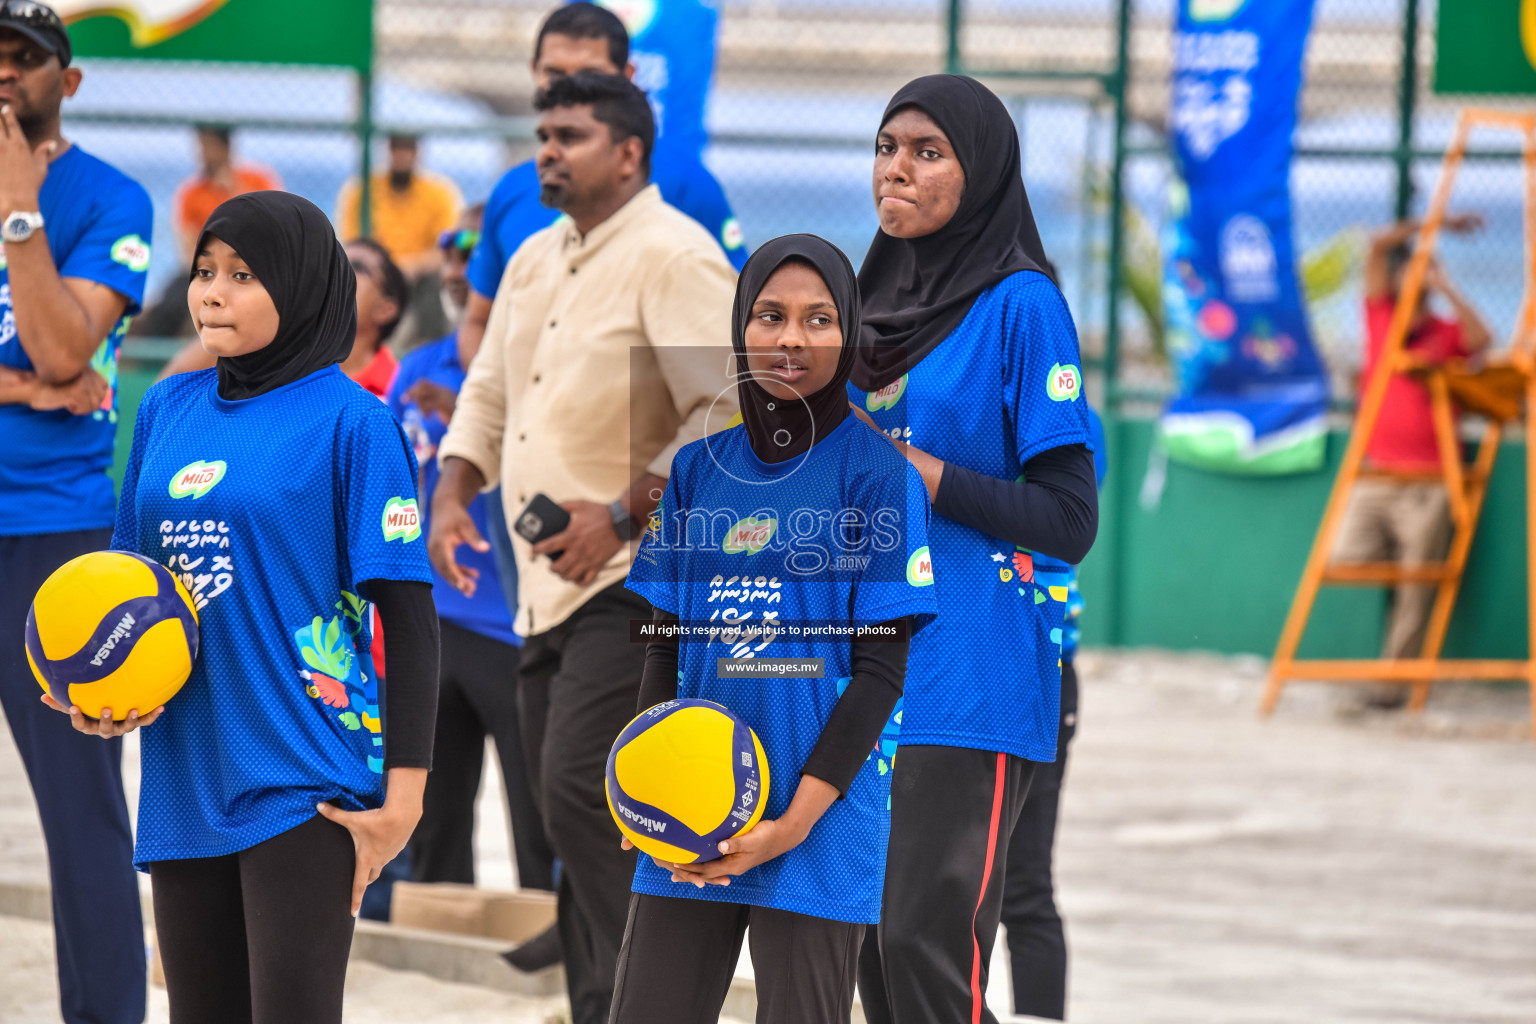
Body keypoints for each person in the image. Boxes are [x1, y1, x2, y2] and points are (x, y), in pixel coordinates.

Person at [46, 190, 440, 1024]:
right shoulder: (166, 407)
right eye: (203, 271)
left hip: (305, 776)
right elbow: (133, 586)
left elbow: (407, 616)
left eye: (244, 274)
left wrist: (402, 799)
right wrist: (108, 693)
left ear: (298, 287)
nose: (211, 292)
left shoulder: (353, 422)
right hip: (185, 777)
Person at [430, 71, 737, 1024]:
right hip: (542, 585)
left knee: (575, 791)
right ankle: (608, 1000)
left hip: (640, 581)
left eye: (569, 135)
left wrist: (621, 512)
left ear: (629, 153)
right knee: (571, 806)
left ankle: (655, 995)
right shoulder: (530, 256)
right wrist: (452, 495)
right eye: (543, 134)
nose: (547, 151)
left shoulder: (673, 257)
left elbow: (731, 410)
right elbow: (485, 391)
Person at [611, 234, 937, 1024]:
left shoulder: (880, 475)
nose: (792, 338)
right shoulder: (695, 469)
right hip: (690, 809)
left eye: (819, 319)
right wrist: (642, 783)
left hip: (818, 823)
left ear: (848, 333)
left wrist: (793, 823)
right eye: (770, 316)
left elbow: (880, 675)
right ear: (740, 328)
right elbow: (664, 642)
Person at [846, 75, 1099, 1024]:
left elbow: (1072, 518)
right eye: (885, 147)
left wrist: (924, 474)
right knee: (869, 945)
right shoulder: (862, 304)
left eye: (926, 151)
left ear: (981, 169)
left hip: (972, 669)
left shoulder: (1022, 306)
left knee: (925, 942)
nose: (896, 170)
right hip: (858, 665)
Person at [0, 6, 153, 1022]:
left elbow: (62, 354)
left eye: (22, 60)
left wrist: (19, 201)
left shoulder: (109, 196)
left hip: (51, 529)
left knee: (82, 806)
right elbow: (46, 378)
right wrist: (22, 391)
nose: (2, 77)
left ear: (69, 80)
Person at [385, 207, 555, 894]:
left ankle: (556, 939)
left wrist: (465, 425)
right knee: (434, 818)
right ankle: (441, 945)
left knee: (539, 813)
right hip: (435, 618)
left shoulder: (539, 372)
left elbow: (551, 487)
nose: (456, 269)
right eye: (448, 251)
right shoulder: (420, 367)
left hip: (511, 625)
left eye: (472, 254)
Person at [456, 1, 747, 369]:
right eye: (556, 74)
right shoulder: (513, 190)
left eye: (591, 75)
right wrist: (497, 414)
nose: (572, 90)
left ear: (628, 75)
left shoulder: (687, 184)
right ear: (534, 72)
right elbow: (479, 321)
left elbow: (741, 316)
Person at [1332, 214, 1492, 709]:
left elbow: (1483, 341)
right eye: (1411, 271)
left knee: (1417, 588)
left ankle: (1392, 686)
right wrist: (1433, 224)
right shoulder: (1382, 317)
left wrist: (1444, 283)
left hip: (1430, 482)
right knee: (1342, 556)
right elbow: (1377, 247)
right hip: (1377, 475)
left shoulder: (1444, 333)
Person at [998, 402, 1106, 1021]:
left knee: (1024, 886)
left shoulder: (1066, 420)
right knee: (922, 890)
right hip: (931, 671)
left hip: (1038, 661)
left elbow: (1061, 521)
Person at [173, 123, 281, 263]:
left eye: (209, 146)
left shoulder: (258, 180)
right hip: (210, 266)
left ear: (226, 148)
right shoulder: (191, 192)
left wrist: (233, 190)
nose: (203, 153)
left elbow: (273, 228)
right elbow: (187, 248)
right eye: (201, 146)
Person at [341, 236, 409, 399]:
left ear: (385, 310)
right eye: (333, 260)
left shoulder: (401, 391)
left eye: (357, 266)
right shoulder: (289, 374)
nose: (335, 270)